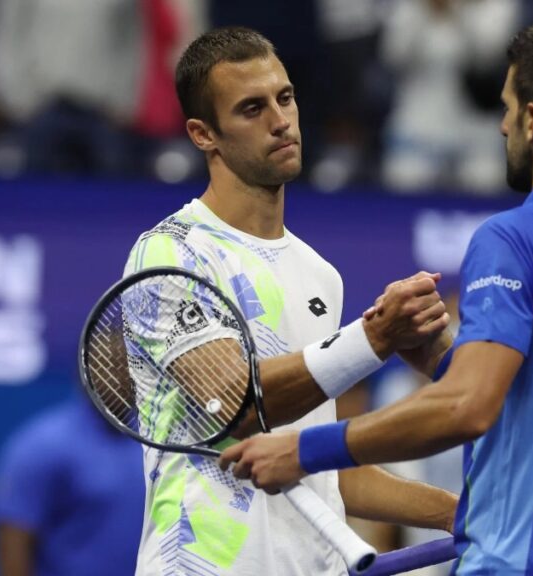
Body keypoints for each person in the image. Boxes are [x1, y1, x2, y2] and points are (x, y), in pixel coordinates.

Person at [221, 19, 533, 575]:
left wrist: (301, 451)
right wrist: (444, 362)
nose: (502, 125)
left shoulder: (516, 237)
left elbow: (467, 408)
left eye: (509, 107)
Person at [127, 27, 458, 575]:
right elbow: (235, 405)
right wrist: (374, 337)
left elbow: (322, 467)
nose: (280, 121)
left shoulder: (319, 275)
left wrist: (454, 511)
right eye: (251, 108)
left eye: (285, 98)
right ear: (202, 134)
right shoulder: (171, 254)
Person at [0, 396, 145, 576]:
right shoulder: (44, 444)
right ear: (83, 372)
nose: (117, 378)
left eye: (125, 367)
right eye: (106, 367)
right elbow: (14, 539)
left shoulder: (157, 441)